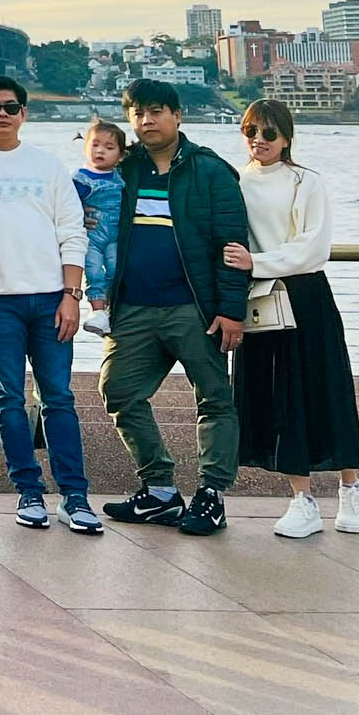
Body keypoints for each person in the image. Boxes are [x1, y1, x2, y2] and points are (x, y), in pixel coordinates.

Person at [101, 79, 249, 538]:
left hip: (194, 308)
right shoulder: (122, 170)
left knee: (214, 399)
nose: (147, 121)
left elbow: (232, 243)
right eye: (138, 113)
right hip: (133, 309)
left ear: (178, 116)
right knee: (119, 391)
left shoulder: (209, 171)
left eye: (157, 111)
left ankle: (212, 495)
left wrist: (231, 309)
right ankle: (160, 490)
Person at [0, 76, 100, 535]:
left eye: (11, 107)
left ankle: (75, 496)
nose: (2, 114)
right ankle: (29, 492)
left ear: (25, 113)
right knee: (8, 399)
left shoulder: (47, 165)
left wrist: (71, 296)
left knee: (59, 397)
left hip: (50, 298)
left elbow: (72, 231)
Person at [226, 99, 359, 539]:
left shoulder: (306, 182)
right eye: (251, 131)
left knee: (327, 388)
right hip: (259, 300)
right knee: (277, 396)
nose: (259, 141)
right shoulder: (236, 182)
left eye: (269, 133)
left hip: (305, 296)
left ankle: (352, 487)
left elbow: (314, 246)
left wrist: (258, 261)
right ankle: (301, 499)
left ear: (287, 137)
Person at [74, 119, 127, 337]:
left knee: (116, 269)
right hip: (92, 237)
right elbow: (69, 208)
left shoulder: (121, 177)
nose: (100, 151)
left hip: (115, 235)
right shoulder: (80, 179)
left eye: (109, 147)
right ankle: (96, 311)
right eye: (95, 145)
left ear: (120, 155)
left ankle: (109, 309)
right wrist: (80, 217)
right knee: (94, 272)